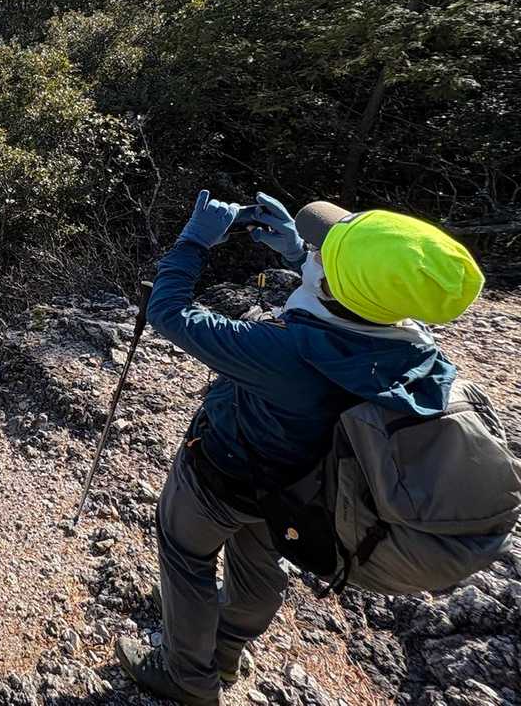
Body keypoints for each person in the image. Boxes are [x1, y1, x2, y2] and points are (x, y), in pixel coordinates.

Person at [115, 192, 484, 705]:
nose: (313, 249)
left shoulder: (282, 352)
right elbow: (345, 309)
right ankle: (226, 651)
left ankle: (187, 677)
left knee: (185, 555)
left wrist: (193, 242)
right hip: (300, 493)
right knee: (259, 568)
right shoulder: (411, 348)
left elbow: (169, 312)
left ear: (328, 283)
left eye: (321, 252)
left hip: (218, 477)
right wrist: (295, 254)